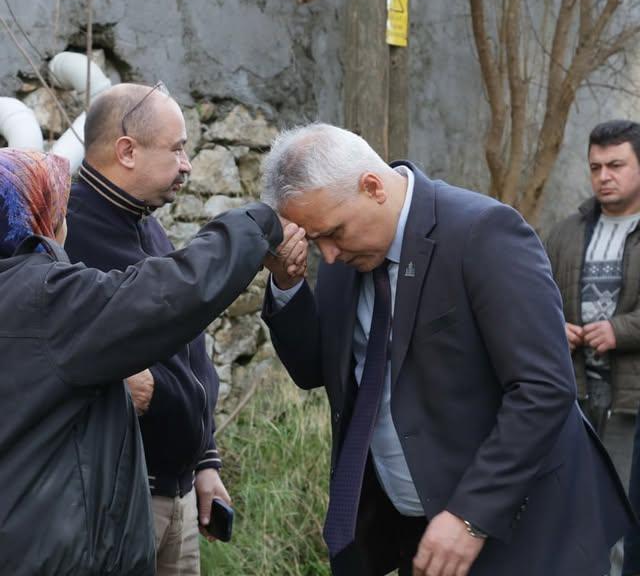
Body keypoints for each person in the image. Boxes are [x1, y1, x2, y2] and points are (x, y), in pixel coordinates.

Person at [261, 123, 634, 576]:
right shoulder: (347, 253)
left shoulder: (483, 232)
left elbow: (543, 387)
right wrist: (286, 286)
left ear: (373, 187)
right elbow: (313, 370)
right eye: (316, 240)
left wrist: (471, 515)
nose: (330, 255)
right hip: (415, 533)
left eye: (333, 233)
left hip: (522, 530)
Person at [0, 148, 283, 576]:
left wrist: (203, 456)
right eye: (59, 207)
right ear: (39, 217)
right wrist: (256, 224)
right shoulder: (43, 298)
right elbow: (168, 296)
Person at [62, 81, 236, 574]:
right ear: (127, 151)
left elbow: (188, 347)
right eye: (177, 149)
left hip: (177, 496)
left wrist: (204, 460)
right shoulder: (66, 235)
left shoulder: (147, 224)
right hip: (116, 502)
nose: (187, 165)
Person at [545, 119, 640, 576]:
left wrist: (619, 330)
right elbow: (534, 297)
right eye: (596, 166)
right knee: (578, 508)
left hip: (631, 403)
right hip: (576, 396)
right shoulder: (567, 232)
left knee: (624, 508)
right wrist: (552, 326)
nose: (604, 175)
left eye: (616, 165)